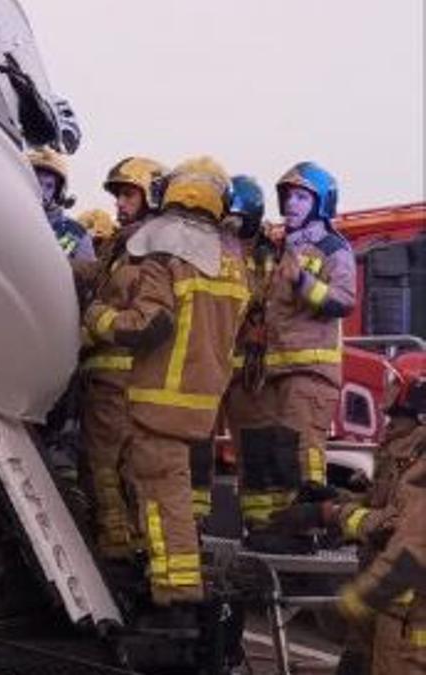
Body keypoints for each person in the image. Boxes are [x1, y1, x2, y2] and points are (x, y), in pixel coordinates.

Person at [83, 157, 249, 614]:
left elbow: (148, 324)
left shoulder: (165, 254)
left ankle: (175, 597)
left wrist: (98, 320)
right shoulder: (231, 261)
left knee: (163, 498)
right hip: (200, 402)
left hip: (158, 397)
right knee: (170, 495)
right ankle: (173, 585)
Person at [270, 352, 426, 674]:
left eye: (395, 384)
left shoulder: (421, 458)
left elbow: (400, 526)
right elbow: (384, 504)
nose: (387, 393)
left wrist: (331, 514)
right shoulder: (402, 447)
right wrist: (335, 496)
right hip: (387, 608)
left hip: (407, 612)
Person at [245, 162, 357, 552]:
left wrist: (302, 281)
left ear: (321, 202)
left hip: (311, 370)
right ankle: (283, 528)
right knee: (280, 453)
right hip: (278, 369)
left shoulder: (334, 247)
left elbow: (343, 301)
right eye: (287, 196)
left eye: (301, 196)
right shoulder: (285, 247)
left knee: (303, 452)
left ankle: (310, 531)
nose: (291, 204)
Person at [77, 156, 167, 561]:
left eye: (129, 193)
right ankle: (124, 545)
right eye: (118, 195)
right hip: (104, 377)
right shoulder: (123, 243)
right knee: (105, 467)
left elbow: (145, 318)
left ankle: (121, 551)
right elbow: (95, 274)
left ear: (151, 197)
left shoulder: (154, 247)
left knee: (110, 468)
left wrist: (95, 321)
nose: (120, 202)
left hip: (122, 379)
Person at [219, 175, 280, 528]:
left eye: (237, 219)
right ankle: (193, 523)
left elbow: (266, 295)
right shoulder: (215, 246)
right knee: (197, 448)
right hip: (214, 362)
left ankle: (261, 524)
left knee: (254, 445)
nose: (231, 226)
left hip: (248, 370)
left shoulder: (266, 252)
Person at [28, 147, 95, 261]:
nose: (42, 191)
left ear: (58, 193)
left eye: (49, 186)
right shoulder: (6, 215)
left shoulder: (74, 233)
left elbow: (86, 274)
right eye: (37, 182)